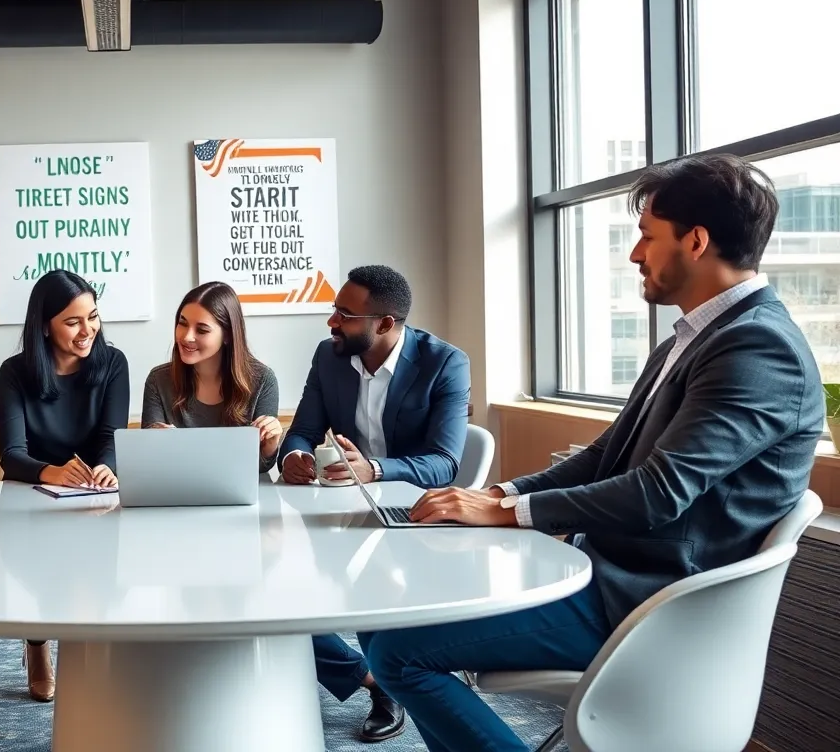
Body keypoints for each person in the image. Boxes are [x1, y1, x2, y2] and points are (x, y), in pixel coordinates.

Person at [365, 153, 823, 752]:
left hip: (650, 603)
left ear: (697, 240)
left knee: (399, 650)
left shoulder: (759, 348)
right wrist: (499, 493)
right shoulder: (693, 338)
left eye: (646, 236)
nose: (635, 254)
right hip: (613, 575)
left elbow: (657, 494)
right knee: (385, 626)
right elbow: (609, 454)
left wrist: (505, 514)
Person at [278, 264, 472, 742]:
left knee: (363, 582)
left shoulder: (445, 363)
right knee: (279, 585)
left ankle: (390, 683)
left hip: (413, 513)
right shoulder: (329, 356)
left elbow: (444, 463)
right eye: (334, 311)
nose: (331, 323)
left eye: (344, 315)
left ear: (385, 324)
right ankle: (378, 677)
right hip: (341, 506)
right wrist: (296, 456)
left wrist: (377, 469)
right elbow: (301, 428)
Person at [0, 269, 131, 701]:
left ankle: (97, 649)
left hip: (94, 487)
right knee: (41, 571)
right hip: (33, 488)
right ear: (45, 326)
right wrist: (50, 471)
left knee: (102, 573)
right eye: (73, 322)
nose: (87, 330)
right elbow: (11, 455)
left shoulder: (113, 363)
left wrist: (108, 467)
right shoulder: (15, 373)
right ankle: (38, 643)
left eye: (93, 317)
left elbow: (111, 436)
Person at [141, 281, 283, 472]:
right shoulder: (158, 380)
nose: (186, 337)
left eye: (202, 330)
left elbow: (258, 468)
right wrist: (152, 443)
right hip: (175, 490)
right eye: (182, 324)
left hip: (237, 495)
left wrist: (269, 446)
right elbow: (151, 463)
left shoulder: (263, 380)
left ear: (227, 335)